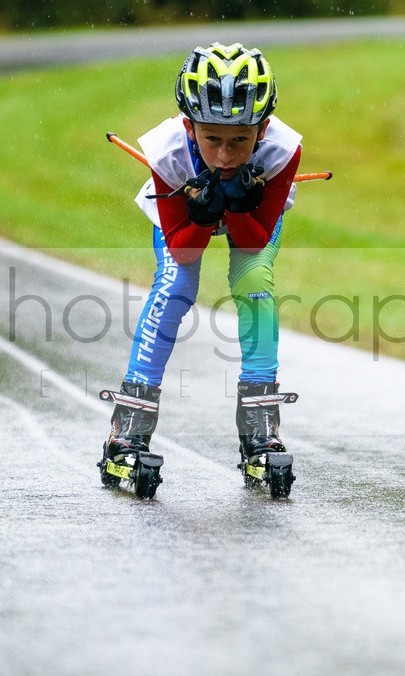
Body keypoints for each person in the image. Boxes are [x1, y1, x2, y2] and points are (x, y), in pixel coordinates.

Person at [100, 42, 302, 495]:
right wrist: (204, 215)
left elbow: (252, 243)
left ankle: (260, 429)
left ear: (262, 130)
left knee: (254, 281)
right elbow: (185, 252)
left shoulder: (281, 152)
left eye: (240, 141)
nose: (225, 156)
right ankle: (127, 429)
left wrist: (240, 207)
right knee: (176, 286)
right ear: (189, 126)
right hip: (185, 221)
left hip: (252, 221)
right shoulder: (168, 151)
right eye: (212, 140)